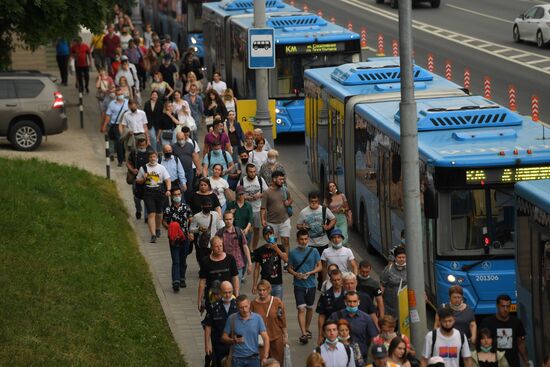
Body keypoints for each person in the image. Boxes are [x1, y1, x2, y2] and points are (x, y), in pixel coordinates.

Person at [287, 229, 322, 345]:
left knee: (309, 308)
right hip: (298, 285)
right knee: (301, 308)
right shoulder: (292, 253)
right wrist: (296, 274)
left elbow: (320, 267)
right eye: (301, 239)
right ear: (297, 240)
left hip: (311, 285)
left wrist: (310, 273)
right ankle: (303, 333)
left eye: (306, 239)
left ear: (308, 239)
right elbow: (289, 267)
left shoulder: (314, 251)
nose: (303, 241)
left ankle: (306, 328)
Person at [298, 191, 337, 283]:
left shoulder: (324, 209)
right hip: (310, 243)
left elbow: (333, 219)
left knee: (323, 264)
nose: (314, 203)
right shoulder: (304, 212)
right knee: (310, 263)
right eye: (312, 201)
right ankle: (310, 280)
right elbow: (298, 225)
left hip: (323, 242)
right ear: (309, 201)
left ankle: (322, 282)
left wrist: (328, 227)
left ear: (318, 201)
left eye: (315, 201)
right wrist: (303, 227)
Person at [479, 294, 528, 367]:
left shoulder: (516, 322)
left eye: (507, 306)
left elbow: (520, 343)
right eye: (502, 306)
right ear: (497, 306)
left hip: (513, 363)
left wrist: (526, 362)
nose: (505, 309)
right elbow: (481, 344)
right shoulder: (487, 323)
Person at [222, 294, 270, 366]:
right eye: (241, 307)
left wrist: (265, 356)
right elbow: (223, 337)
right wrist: (232, 340)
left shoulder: (257, 318)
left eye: (246, 306)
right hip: (237, 358)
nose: (244, 310)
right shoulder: (232, 318)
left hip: (254, 358)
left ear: (249, 304)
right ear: (237, 307)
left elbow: (265, 338)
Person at [329, 291, 378, 361]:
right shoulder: (335, 317)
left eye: (354, 301)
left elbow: (374, 338)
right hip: (339, 356)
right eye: (349, 301)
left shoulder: (366, 318)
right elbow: (328, 334)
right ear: (345, 302)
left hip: (360, 357)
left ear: (359, 302)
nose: (352, 304)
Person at [136, 151, 172, 243]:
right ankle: (153, 235)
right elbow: (137, 181)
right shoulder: (143, 168)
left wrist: (168, 190)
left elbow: (167, 179)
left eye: (154, 157)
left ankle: (158, 228)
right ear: (148, 158)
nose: (152, 159)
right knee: (151, 213)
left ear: (157, 158)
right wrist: (144, 178)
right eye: (151, 157)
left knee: (159, 213)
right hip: (148, 192)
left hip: (159, 191)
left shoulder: (161, 168)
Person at [162, 187, 193, 291]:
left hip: (185, 237)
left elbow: (191, 220)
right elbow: (164, 221)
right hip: (174, 239)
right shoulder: (168, 209)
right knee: (175, 260)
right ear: (171, 196)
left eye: (179, 194)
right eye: (175, 194)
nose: (177, 196)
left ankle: (182, 277)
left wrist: (191, 232)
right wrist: (170, 228)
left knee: (183, 259)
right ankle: (175, 281)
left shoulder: (186, 207)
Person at [197, 236, 239, 312]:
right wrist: (199, 300)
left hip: (228, 296)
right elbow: (202, 281)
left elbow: (235, 277)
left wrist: (237, 295)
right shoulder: (205, 261)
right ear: (212, 247)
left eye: (221, 245)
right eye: (216, 246)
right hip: (212, 297)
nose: (219, 248)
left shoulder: (230, 259)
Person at [251, 280, 288, 364]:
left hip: (276, 337)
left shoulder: (277, 301)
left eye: (264, 290)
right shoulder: (253, 304)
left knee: (277, 362)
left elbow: (282, 319)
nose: (262, 292)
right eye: (260, 290)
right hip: (261, 340)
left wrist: (285, 336)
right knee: (262, 362)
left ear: (269, 290)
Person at [204, 281, 238, 367]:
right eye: (225, 292)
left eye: (230, 292)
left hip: (235, 344)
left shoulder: (237, 306)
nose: (227, 295)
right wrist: (207, 344)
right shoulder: (214, 307)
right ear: (220, 292)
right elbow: (208, 326)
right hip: (218, 345)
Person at [261, 171, 292, 255]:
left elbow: (290, 199)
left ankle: (287, 261)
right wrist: (263, 220)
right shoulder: (267, 193)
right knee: (272, 243)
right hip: (271, 223)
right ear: (274, 179)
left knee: (286, 240)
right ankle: (273, 260)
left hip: (285, 221)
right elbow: (263, 208)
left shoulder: (285, 189)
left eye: (283, 179)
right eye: (280, 179)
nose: (282, 181)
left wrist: (288, 203)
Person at [252, 225, 288, 299]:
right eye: (266, 234)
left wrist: (276, 248)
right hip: (264, 283)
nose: (268, 236)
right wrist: (255, 284)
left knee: (277, 306)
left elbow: (286, 260)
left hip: (277, 283)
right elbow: (256, 268)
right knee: (265, 306)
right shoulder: (260, 250)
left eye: (270, 233)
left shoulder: (280, 247)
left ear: (273, 234)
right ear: (264, 236)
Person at [217, 211, 252, 283]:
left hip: (238, 264)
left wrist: (250, 263)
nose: (228, 221)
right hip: (224, 265)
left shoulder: (238, 231)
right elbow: (215, 249)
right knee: (226, 289)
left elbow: (245, 246)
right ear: (223, 220)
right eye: (226, 219)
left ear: (233, 219)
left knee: (236, 290)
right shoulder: (220, 233)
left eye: (230, 219)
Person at [239, 164, 268, 250]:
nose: (253, 173)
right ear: (247, 172)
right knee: (248, 230)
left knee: (256, 230)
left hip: (257, 209)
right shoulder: (242, 181)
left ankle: (254, 249)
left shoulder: (260, 180)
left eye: (254, 172)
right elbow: (237, 194)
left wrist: (260, 195)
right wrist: (245, 197)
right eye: (250, 172)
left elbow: (267, 192)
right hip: (246, 210)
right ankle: (247, 248)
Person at [316, 269, 345, 345]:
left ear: (342, 279)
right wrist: (320, 334)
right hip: (330, 330)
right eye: (334, 280)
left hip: (345, 329)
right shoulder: (325, 295)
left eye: (339, 279)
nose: (337, 282)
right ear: (331, 281)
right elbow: (321, 316)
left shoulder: (347, 294)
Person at [101, 88, 128, 167]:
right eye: (118, 94)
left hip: (125, 125)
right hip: (115, 125)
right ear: (116, 95)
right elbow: (108, 116)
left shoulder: (127, 103)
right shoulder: (112, 104)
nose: (120, 96)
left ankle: (123, 158)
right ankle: (120, 160)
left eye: (121, 94)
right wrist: (104, 126)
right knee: (118, 142)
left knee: (124, 142)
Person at [379, 246, 407, 318]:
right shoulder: (389, 269)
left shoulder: (410, 269)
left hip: (405, 305)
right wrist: (379, 300)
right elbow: (382, 286)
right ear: (395, 258)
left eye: (403, 257)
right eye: (399, 257)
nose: (401, 259)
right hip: (389, 306)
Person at [127, 138, 150, 221]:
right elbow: (128, 163)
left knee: (147, 197)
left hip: (147, 178)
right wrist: (132, 170)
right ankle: (138, 210)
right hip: (136, 177)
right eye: (140, 145)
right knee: (137, 197)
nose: (142, 147)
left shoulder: (149, 153)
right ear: (137, 145)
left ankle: (147, 216)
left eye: (143, 145)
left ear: (146, 144)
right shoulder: (134, 152)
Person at [325, 182, 352, 247]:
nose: (332, 188)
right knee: (335, 240)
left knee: (344, 240)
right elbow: (325, 211)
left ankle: (343, 250)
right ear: (329, 189)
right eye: (330, 187)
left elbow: (347, 207)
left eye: (334, 186)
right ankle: (339, 253)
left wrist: (342, 209)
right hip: (333, 221)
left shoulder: (342, 195)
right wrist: (332, 211)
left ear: (336, 187)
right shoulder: (327, 198)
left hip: (342, 218)